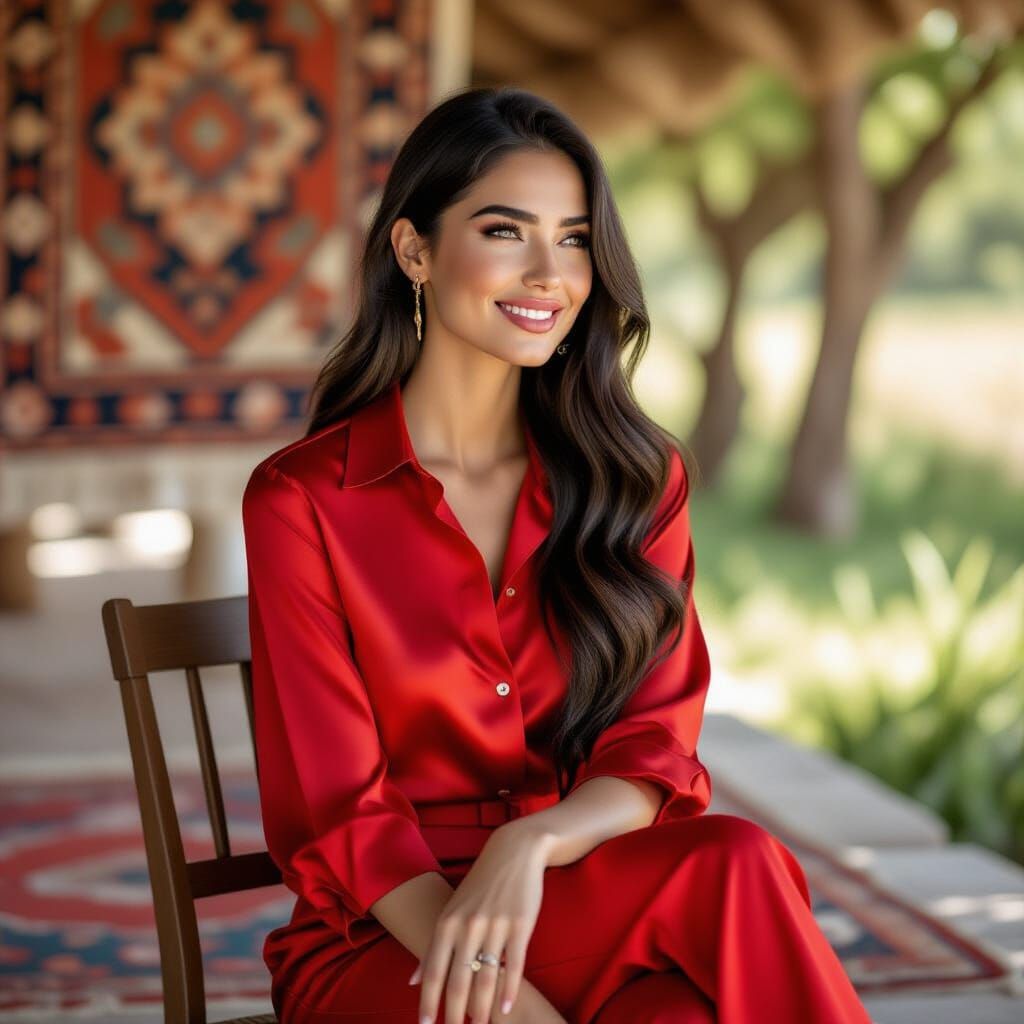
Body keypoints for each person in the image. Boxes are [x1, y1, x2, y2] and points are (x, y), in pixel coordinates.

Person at [241, 86, 874, 1024]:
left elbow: (656, 742)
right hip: (388, 940)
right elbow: (341, 814)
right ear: (413, 249)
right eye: (507, 232)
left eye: (574, 238)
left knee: (728, 879)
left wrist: (529, 845)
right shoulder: (302, 501)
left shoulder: (635, 476)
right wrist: (510, 999)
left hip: (575, 889)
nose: (550, 274)